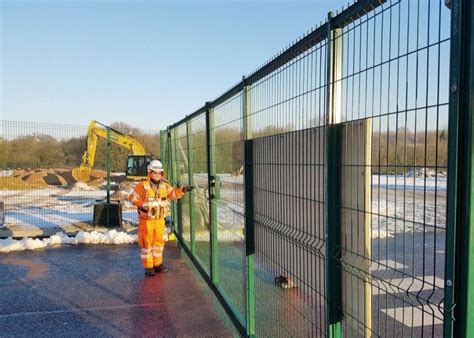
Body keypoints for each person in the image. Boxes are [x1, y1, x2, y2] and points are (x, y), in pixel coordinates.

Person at [128, 159, 192, 276]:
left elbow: (173, 194)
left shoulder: (164, 185)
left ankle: (157, 264)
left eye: (159, 173)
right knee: (147, 244)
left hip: (159, 221)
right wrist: (141, 204)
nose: (157, 175)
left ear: (162, 174)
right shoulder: (142, 186)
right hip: (146, 221)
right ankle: (148, 266)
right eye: (155, 172)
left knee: (158, 244)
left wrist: (182, 190)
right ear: (149, 172)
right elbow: (132, 197)